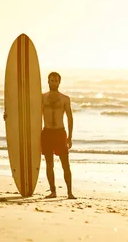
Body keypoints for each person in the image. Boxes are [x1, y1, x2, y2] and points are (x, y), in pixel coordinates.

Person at [41, 71, 76, 199]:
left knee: (65, 164)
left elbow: (70, 118)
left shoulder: (65, 99)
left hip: (60, 133)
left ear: (59, 82)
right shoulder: (42, 97)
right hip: (47, 132)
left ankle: (69, 193)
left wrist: (70, 137)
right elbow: (33, 115)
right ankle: (53, 191)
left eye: (56, 81)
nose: (54, 83)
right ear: (48, 81)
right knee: (49, 164)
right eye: (52, 80)